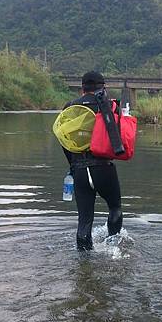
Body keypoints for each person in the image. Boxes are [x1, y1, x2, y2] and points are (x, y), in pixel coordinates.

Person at [62, 71, 123, 250]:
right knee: (115, 208)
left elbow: (64, 140)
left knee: (84, 221)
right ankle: (113, 248)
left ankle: (84, 264)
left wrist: (73, 166)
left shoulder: (70, 108)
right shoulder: (110, 106)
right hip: (104, 168)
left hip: (80, 169)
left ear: (82, 88)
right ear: (103, 87)